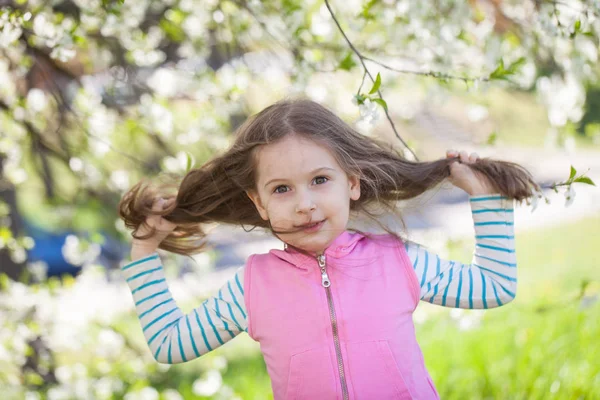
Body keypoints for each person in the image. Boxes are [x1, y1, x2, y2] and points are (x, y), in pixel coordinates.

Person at [118, 98, 537, 399]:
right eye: (281, 189)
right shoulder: (252, 287)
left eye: (320, 180)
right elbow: (171, 343)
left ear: (351, 182)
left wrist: (486, 197)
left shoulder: (397, 260)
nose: (305, 204)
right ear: (259, 203)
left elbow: (493, 286)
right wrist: (144, 255)